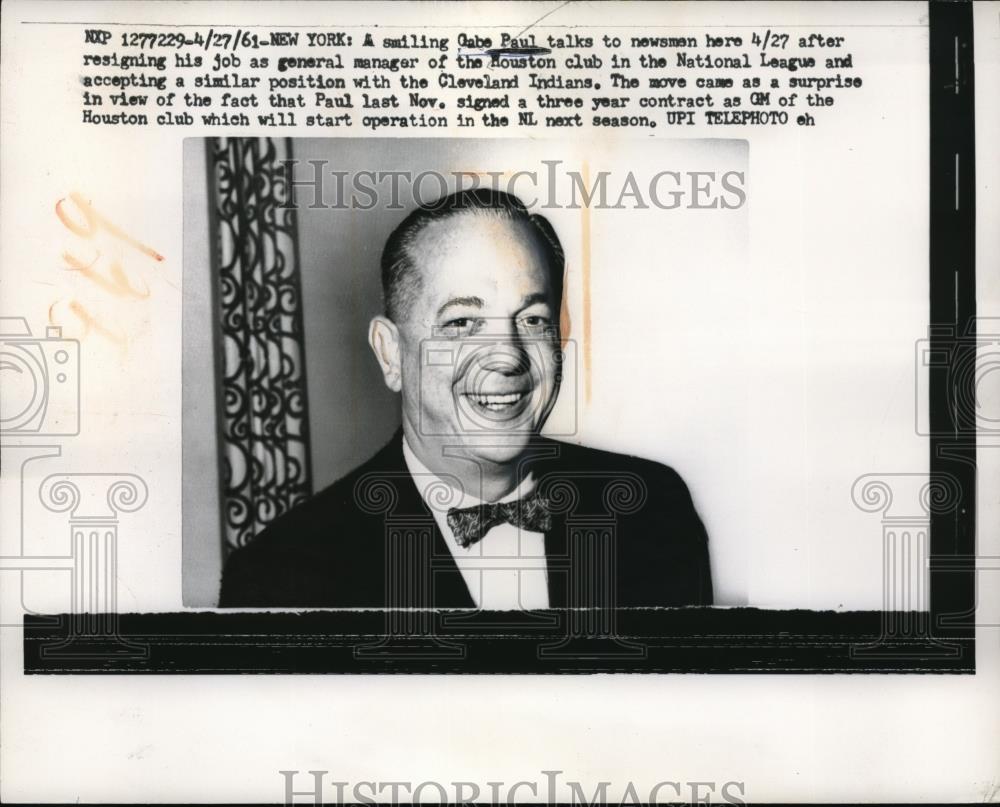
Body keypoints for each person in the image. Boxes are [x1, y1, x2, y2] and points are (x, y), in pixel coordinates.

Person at [219, 189, 712, 609]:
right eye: (462, 323)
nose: (507, 357)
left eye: (532, 319)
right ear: (390, 353)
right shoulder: (280, 575)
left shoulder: (653, 509)